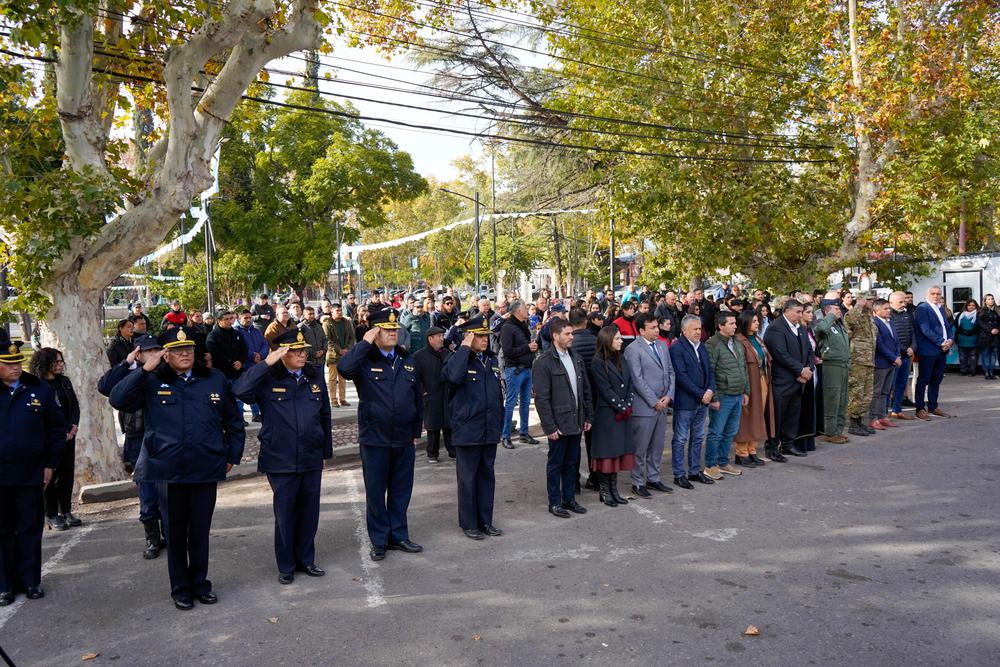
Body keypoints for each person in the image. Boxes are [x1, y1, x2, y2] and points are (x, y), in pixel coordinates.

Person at [109, 326, 245, 610]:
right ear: (165, 355)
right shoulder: (152, 380)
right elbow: (117, 399)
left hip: (205, 465)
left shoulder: (214, 379)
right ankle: (180, 588)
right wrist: (144, 370)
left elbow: (233, 421)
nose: (184, 354)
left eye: (189, 350)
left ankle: (200, 583)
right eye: (176, 350)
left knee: (199, 531)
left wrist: (233, 454)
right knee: (174, 532)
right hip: (167, 468)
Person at [232, 330, 332, 585]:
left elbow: (325, 416)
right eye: (295, 351)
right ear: (282, 353)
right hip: (281, 456)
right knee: (286, 513)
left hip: (310, 454)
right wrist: (267, 362)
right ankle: (286, 565)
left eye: (303, 350)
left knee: (309, 512)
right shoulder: (268, 377)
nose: (301, 355)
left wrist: (325, 452)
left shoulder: (313, 375)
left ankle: (306, 560)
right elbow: (240, 390)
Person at [337, 307, 424, 562]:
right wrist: (364, 342)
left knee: (400, 491)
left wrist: (416, 430)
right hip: (375, 437)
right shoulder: (365, 360)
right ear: (375, 332)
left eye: (394, 329)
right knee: (376, 493)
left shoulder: (406, 359)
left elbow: (416, 397)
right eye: (386, 330)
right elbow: (344, 369)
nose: (393, 333)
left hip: (403, 437)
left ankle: (399, 535)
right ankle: (378, 540)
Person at [0, 333, 66, 607]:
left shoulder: (39, 389)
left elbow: (55, 429)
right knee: (2, 530)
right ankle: (4, 585)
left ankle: (30, 581)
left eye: (18, 362)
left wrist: (50, 464)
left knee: (29, 527)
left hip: (31, 472)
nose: (15, 367)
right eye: (8, 363)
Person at [97, 334, 165, 559]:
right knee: (146, 491)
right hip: (138, 439)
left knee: (167, 489)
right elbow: (105, 387)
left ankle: (169, 534)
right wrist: (127, 363)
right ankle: (152, 538)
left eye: (157, 350)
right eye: (149, 351)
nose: (154, 354)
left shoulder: (165, 374)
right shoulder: (131, 375)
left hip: (163, 437)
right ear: (139, 353)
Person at [442, 316, 504, 539]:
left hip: (488, 428)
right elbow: (453, 378)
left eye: (485, 335)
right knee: (468, 479)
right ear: (468, 337)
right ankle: (469, 523)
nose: (484, 339)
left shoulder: (491, 360)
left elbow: (497, 395)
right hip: (468, 430)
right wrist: (464, 348)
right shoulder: (456, 360)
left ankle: (485, 521)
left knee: (487, 477)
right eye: (478, 335)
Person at [533, 319, 593, 518]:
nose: (571, 337)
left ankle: (569, 498)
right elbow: (542, 398)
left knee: (572, 462)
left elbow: (585, 390)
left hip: (576, 420)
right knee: (556, 464)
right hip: (558, 423)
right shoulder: (544, 362)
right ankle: (555, 502)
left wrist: (587, 415)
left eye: (571, 333)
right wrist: (549, 427)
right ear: (555, 336)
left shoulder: (575, 358)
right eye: (567, 334)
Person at [623, 313, 676, 496]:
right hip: (644, 407)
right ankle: (637, 482)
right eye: (652, 328)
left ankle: (654, 478)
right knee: (640, 447)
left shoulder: (662, 345)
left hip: (662, 404)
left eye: (656, 326)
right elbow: (637, 380)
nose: (656, 330)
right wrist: (654, 401)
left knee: (657, 445)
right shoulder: (632, 349)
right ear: (642, 330)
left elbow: (670, 372)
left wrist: (668, 396)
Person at [29, 348, 81, 531]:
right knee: (49, 475)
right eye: (56, 362)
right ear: (45, 363)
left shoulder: (64, 382)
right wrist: (61, 430)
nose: (60, 365)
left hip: (68, 437)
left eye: (61, 361)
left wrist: (73, 426)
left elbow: (74, 406)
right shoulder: (36, 385)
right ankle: (51, 514)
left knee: (67, 474)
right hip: (49, 439)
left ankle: (65, 510)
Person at [588, 326, 636, 506]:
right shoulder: (598, 362)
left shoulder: (622, 358)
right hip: (607, 414)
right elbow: (605, 389)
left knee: (617, 451)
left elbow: (630, 383)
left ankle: (614, 490)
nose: (621, 341)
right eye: (617, 338)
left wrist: (628, 404)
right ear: (607, 340)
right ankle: (604, 491)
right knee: (606, 453)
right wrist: (622, 407)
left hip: (622, 413)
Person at [762, 299, 813, 460]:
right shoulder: (775, 328)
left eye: (801, 312)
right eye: (797, 312)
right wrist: (800, 370)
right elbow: (780, 354)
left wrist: (808, 369)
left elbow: (809, 351)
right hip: (782, 380)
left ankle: (788, 444)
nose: (800, 315)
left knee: (793, 414)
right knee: (777, 416)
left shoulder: (801, 328)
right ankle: (772, 446)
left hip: (799, 380)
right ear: (787, 311)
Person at [668, 315, 716, 488]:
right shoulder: (676, 348)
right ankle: (679, 474)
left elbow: (710, 371)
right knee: (680, 439)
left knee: (697, 438)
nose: (698, 332)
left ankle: (694, 471)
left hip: (702, 401)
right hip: (686, 402)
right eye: (695, 329)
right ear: (684, 330)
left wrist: (710, 390)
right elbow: (681, 376)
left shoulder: (702, 347)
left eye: (699, 328)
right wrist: (700, 394)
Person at [704, 311, 750, 478]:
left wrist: (746, 391)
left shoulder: (736, 342)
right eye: (731, 323)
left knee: (730, 431)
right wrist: (714, 397)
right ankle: (710, 464)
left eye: (735, 323)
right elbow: (710, 372)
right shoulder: (713, 344)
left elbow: (743, 368)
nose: (735, 326)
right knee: (716, 432)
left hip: (737, 394)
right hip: (723, 395)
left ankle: (723, 462)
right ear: (721, 326)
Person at [733, 311, 774, 466]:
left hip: (762, 379)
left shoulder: (757, 338)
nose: (758, 323)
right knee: (746, 417)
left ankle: (752, 450)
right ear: (746, 323)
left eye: (758, 321)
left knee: (758, 416)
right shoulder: (739, 341)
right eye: (755, 321)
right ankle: (741, 452)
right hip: (749, 383)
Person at [498, 301, 540, 450]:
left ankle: (524, 433)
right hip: (514, 370)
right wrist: (527, 347)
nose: (527, 311)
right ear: (517, 311)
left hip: (527, 368)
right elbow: (507, 351)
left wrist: (532, 348)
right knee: (510, 403)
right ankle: (506, 436)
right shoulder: (508, 327)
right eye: (524, 309)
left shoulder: (523, 325)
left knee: (525, 403)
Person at [413, 326, 454, 463]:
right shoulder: (419, 356)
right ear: (430, 339)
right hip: (430, 395)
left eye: (442, 336)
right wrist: (423, 391)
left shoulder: (447, 353)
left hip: (446, 395)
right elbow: (415, 377)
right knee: (432, 426)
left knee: (449, 425)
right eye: (439, 336)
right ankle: (432, 453)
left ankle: (452, 451)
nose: (442, 339)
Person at [913, 286, 954, 420]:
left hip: (941, 351)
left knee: (936, 380)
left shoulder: (940, 308)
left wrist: (950, 340)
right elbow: (925, 329)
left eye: (938, 294)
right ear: (927, 294)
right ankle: (920, 409)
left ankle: (933, 406)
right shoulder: (922, 309)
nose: (936, 296)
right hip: (928, 351)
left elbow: (946, 326)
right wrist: (942, 342)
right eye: (933, 293)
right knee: (923, 380)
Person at [814, 295, 852, 442]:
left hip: (843, 365)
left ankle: (838, 430)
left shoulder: (839, 325)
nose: (839, 311)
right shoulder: (824, 323)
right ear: (827, 311)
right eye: (836, 309)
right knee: (832, 399)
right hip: (831, 365)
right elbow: (820, 329)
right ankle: (830, 432)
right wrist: (830, 316)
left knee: (842, 399)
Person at [568, 308, 598, 489]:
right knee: (592, 439)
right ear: (586, 322)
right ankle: (595, 476)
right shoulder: (595, 341)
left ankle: (574, 481)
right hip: (594, 396)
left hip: (575, 397)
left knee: (573, 441)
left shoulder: (570, 344)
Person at [844, 293, 878, 436]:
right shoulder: (852, 314)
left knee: (867, 393)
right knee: (856, 392)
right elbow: (851, 320)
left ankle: (859, 421)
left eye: (872, 300)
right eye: (869, 300)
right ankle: (853, 423)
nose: (872, 302)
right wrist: (859, 304)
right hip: (857, 360)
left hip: (869, 360)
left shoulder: (869, 317)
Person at [871, 299, 902, 430]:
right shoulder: (875, 323)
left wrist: (898, 355)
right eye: (885, 308)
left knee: (886, 391)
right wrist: (893, 357)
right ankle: (873, 418)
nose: (888, 311)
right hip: (881, 362)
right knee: (876, 392)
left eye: (889, 308)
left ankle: (883, 416)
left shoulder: (890, 322)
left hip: (892, 362)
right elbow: (879, 344)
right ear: (876, 311)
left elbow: (896, 341)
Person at [797, 306, 823, 452]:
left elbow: (812, 349)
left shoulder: (809, 329)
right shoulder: (799, 330)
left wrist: (815, 359)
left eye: (811, 312)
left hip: (813, 369)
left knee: (812, 404)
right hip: (804, 371)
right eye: (807, 312)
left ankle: (809, 438)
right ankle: (800, 440)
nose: (811, 315)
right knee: (804, 405)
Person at [235, 310, 269, 422]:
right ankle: (240, 417)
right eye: (245, 318)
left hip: (258, 365)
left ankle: (256, 413)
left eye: (250, 317)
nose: (248, 320)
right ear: (239, 319)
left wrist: (261, 355)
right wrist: (252, 355)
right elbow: (240, 347)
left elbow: (265, 344)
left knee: (258, 390)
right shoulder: (237, 332)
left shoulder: (257, 331)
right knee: (243, 392)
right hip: (246, 365)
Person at [888, 291, 916, 419]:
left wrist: (913, 347)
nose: (904, 304)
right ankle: (882, 414)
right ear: (891, 302)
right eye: (901, 302)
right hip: (895, 357)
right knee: (889, 386)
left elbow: (913, 333)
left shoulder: (907, 315)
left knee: (901, 384)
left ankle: (897, 410)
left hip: (906, 356)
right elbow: (893, 338)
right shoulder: (889, 316)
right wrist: (905, 349)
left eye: (904, 301)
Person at [323, 303, 356, 408]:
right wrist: (339, 350)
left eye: (341, 310)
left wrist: (348, 349)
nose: (340, 312)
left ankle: (342, 399)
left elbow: (352, 336)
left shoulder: (346, 322)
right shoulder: (327, 323)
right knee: (333, 378)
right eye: (337, 310)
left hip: (345, 354)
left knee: (343, 378)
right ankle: (333, 399)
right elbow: (327, 340)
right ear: (331, 312)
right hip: (333, 355)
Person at [205, 311, 247, 384]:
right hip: (222, 374)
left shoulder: (237, 334)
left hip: (238, 372)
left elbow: (244, 349)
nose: (229, 321)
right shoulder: (213, 336)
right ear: (219, 321)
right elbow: (215, 354)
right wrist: (231, 362)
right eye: (226, 319)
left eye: (231, 319)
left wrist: (241, 361)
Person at [954, 299, 980, 376]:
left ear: (976, 306)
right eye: (969, 305)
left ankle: (972, 371)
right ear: (966, 306)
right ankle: (963, 371)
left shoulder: (978, 314)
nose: (971, 307)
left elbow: (979, 325)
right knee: (962, 357)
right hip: (962, 339)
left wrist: (971, 332)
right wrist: (964, 332)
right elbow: (956, 325)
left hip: (974, 339)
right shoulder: (961, 314)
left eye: (973, 305)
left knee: (973, 357)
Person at [978, 294, 1000, 380]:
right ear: (985, 301)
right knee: (986, 354)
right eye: (989, 299)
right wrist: (990, 330)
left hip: (996, 337)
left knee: (993, 355)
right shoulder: (981, 311)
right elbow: (980, 323)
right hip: (985, 336)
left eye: (992, 299)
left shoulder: (997, 311)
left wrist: (997, 329)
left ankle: (991, 372)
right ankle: (986, 372)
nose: (991, 300)